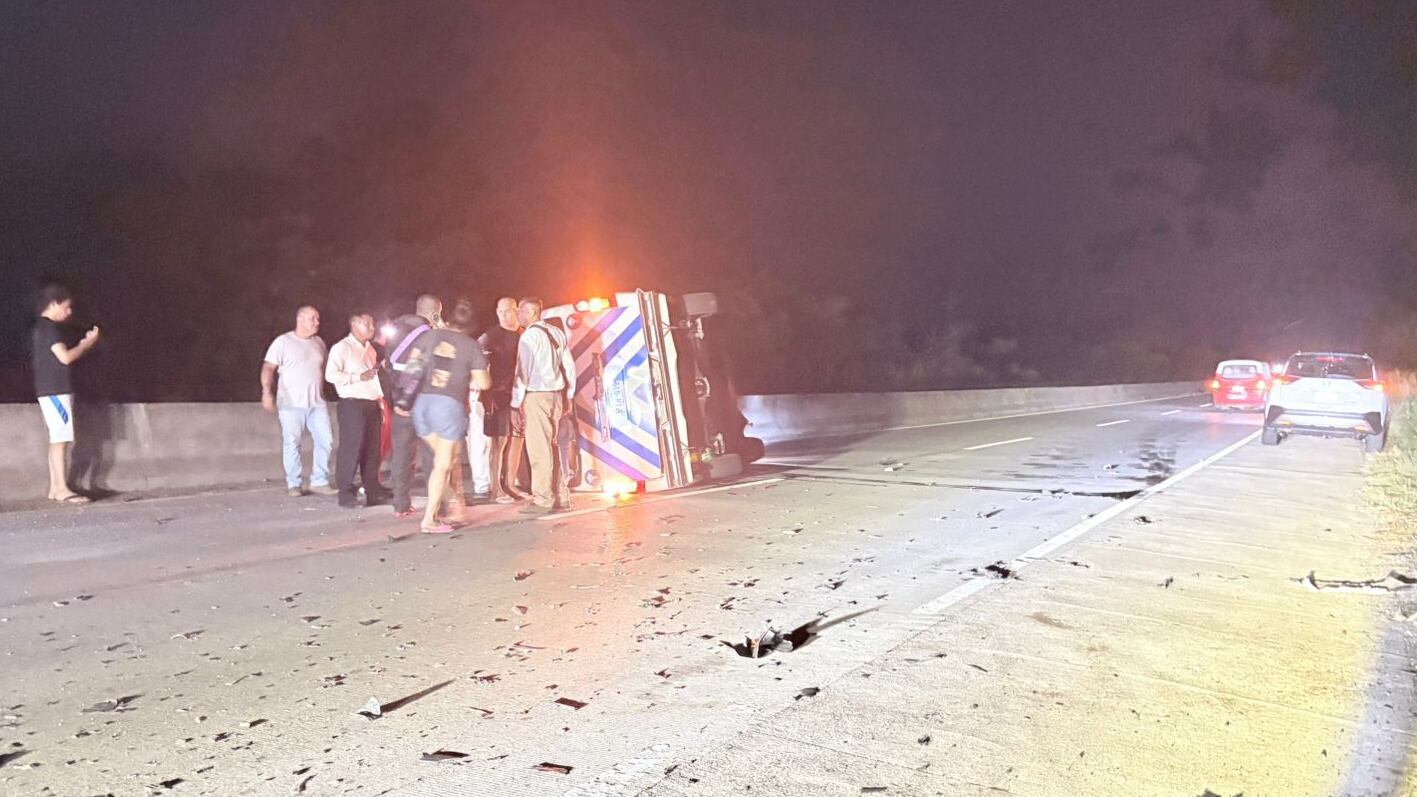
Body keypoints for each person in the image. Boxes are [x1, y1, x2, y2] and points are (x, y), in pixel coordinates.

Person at [409, 301, 489, 533]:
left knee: (445, 460)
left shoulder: (428, 337)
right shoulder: (471, 346)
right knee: (442, 464)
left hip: (421, 404)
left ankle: (455, 504)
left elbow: (412, 367)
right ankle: (429, 520)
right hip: (448, 406)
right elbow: (483, 382)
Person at [32, 284, 99, 504]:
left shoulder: (40, 328)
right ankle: (61, 488)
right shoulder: (49, 328)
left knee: (56, 440)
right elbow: (65, 357)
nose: (69, 312)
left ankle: (55, 488)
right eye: (66, 307)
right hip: (55, 391)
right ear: (54, 304)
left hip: (48, 390)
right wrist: (86, 344)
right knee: (61, 440)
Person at [510, 297, 576, 514]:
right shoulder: (556, 332)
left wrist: (515, 404)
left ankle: (542, 499)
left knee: (539, 449)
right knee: (554, 447)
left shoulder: (529, 336)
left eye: (520, 310)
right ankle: (561, 495)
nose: (517, 314)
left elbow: (522, 372)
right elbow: (569, 365)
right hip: (556, 396)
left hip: (536, 396)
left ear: (531, 312)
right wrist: (570, 394)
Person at [261, 306, 335, 497]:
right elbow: (268, 368)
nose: (317, 322)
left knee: (325, 440)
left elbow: (324, 368)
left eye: (318, 319)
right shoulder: (283, 342)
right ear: (300, 320)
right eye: (312, 319)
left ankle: (319, 480)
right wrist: (267, 392)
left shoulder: (319, 342)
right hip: (291, 403)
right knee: (292, 442)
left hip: (317, 402)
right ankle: (294, 483)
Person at [384, 295, 440, 518]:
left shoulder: (394, 332)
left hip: (401, 405)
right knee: (432, 456)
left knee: (401, 456)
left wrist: (397, 400)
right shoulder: (431, 336)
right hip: (425, 405)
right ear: (434, 313)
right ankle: (438, 505)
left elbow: (387, 367)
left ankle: (400, 504)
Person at [326, 312, 389, 508]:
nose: (371, 327)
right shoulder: (342, 347)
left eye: (372, 323)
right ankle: (345, 492)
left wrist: (379, 400)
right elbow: (331, 374)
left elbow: (373, 378)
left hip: (371, 404)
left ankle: (373, 489)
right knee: (351, 448)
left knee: (372, 450)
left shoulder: (370, 349)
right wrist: (356, 377)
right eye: (366, 323)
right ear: (353, 324)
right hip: (352, 404)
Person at [477, 296, 526, 504]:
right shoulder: (490, 336)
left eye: (508, 311)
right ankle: (496, 489)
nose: (504, 315)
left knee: (517, 438)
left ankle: (511, 485)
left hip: (520, 394)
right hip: (497, 396)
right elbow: (477, 363)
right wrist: (486, 393)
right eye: (500, 311)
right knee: (498, 442)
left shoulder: (525, 334)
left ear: (517, 311)